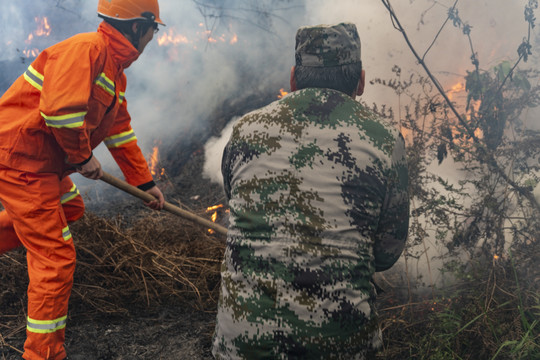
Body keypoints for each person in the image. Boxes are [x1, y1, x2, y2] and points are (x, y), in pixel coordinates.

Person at [212, 22, 409, 359]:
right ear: (360, 82)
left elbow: (237, 206)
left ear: (293, 79)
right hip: (340, 346)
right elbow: (387, 254)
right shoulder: (385, 141)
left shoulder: (244, 130)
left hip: (243, 345)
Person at [0, 0, 166, 358]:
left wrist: (144, 184)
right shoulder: (86, 51)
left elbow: (119, 131)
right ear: (139, 26)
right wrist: (81, 157)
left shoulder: (113, 70)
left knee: (70, 206)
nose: (154, 38)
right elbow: (59, 112)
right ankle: (43, 354)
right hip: (22, 162)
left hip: (42, 164)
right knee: (56, 258)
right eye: (155, 29)